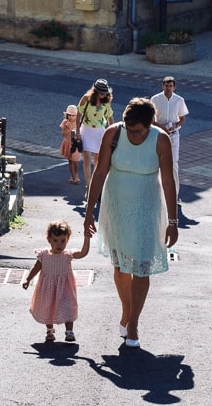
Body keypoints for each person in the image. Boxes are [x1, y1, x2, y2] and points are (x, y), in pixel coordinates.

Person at [83, 97, 178, 348]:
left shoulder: (160, 140)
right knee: (121, 268)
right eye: (129, 129)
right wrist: (89, 210)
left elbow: (168, 181)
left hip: (147, 209)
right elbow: (100, 171)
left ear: (150, 125)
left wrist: (173, 220)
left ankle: (133, 323)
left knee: (142, 267)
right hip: (116, 209)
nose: (133, 135)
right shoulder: (113, 134)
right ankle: (127, 312)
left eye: (138, 131)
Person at [22, 219, 92, 342]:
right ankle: (49, 330)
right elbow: (36, 267)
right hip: (47, 288)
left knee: (68, 307)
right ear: (49, 240)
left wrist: (87, 239)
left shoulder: (68, 255)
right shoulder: (43, 255)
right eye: (55, 241)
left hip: (65, 288)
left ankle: (69, 332)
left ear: (67, 240)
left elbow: (82, 253)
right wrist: (27, 279)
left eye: (63, 241)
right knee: (47, 307)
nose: (59, 244)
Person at [151, 76, 189, 203]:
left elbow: (182, 119)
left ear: (174, 87)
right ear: (162, 86)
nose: (168, 88)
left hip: (173, 136)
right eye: (166, 86)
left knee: (173, 164)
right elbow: (151, 120)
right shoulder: (155, 99)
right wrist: (162, 127)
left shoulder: (179, 100)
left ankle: (175, 195)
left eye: (170, 86)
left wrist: (175, 126)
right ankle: (158, 193)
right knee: (157, 164)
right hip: (158, 135)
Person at [76, 78, 114, 191]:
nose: (103, 95)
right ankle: (88, 186)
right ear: (96, 91)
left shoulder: (106, 101)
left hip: (99, 131)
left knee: (98, 160)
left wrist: (114, 131)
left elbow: (109, 116)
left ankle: (95, 184)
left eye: (105, 93)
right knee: (87, 158)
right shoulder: (86, 99)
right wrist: (77, 131)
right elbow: (79, 114)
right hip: (86, 130)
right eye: (101, 93)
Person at [59, 105, 82, 184]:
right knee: (70, 160)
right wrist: (66, 128)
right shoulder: (65, 122)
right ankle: (72, 176)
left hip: (75, 144)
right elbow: (63, 134)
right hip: (67, 142)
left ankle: (76, 176)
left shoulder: (78, 123)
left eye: (73, 115)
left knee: (75, 160)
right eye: (69, 115)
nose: (71, 117)